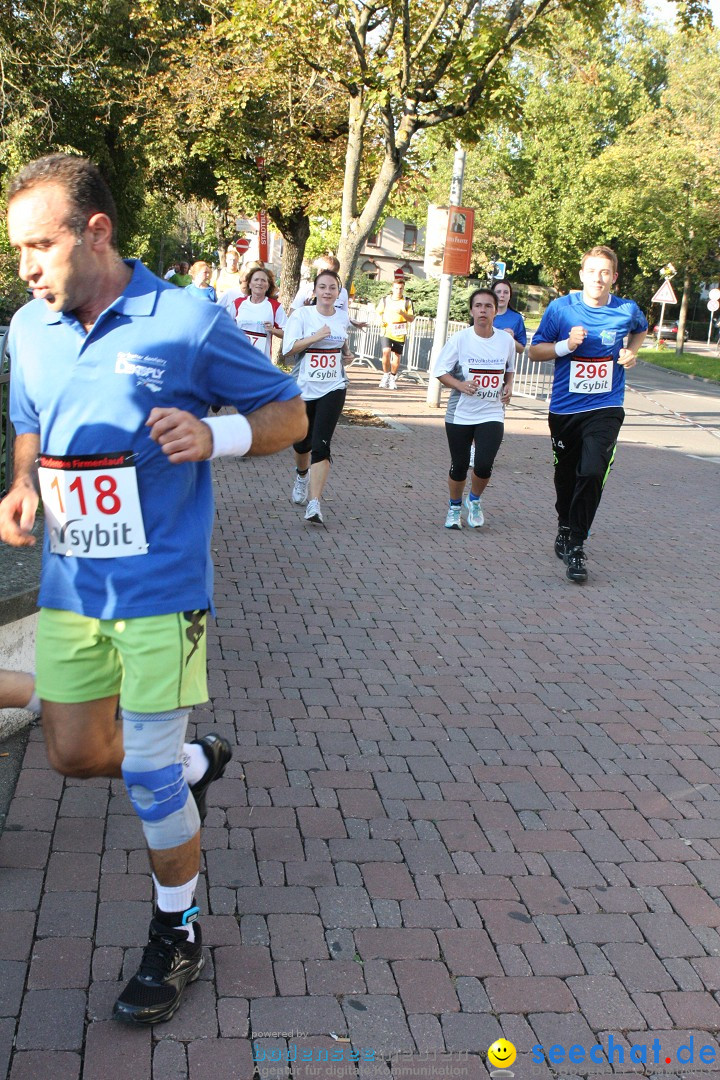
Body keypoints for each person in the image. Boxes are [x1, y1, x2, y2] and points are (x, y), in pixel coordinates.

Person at [1, 153, 307, 1025]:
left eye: (38, 245)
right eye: (17, 249)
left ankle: (179, 934)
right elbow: (30, 422)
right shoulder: (29, 327)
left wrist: (218, 434)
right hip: (71, 586)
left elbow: (289, 414)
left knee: (141, 772)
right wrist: (23, 485)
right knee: (68, 752)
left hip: (164, 587)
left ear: (96, 231)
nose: (25, 266)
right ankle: (194, 762)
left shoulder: (186, 320)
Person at [528, 245, 647, 583]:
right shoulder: (561, 309)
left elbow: (640, 329)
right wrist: (566, 346)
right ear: (581, 275)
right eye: (592, 271)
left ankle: (577, 544)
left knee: (593, 470)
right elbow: (535, 350)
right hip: (565, 409)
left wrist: (630, 354)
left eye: (605, 272)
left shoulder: (626, 309)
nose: (598, 278)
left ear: (614, 277)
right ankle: (565, 524)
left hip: (606, 406)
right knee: (566, 477)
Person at [430, 289, 515, 529]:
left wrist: (508, 387)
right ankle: (454, 507)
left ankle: (474, 500)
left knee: (484, 464)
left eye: (488, 306)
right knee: (459, 466)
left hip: (492, 411)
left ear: (495, 311)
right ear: (471, 310)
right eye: (478, 306)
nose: (483, 310)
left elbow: (509, 369)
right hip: (461, 413)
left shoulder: (505, 341)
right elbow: (440, 371)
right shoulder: (460, 339)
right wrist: (460, 384)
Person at [283, 269, 349, 525]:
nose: (327, 292)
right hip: (303, 387)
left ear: (338, 292)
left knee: (321, 444)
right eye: (323, 287)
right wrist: (315, 337)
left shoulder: (342, 317)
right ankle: (302, 476)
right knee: (302, 442)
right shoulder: (302, 315)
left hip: (333, 386)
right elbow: (288, 350)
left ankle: (314, 503)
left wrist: (347, 353)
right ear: (315, 291)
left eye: (332, 288)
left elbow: (341, 343)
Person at [230, 265, 286, 361]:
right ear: (249, 284)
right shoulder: (238, 303)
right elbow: (226, 327)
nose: (259, 283)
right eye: (256, 280)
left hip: (260, 360)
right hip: (238, 356)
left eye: (263, 280)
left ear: (268, 286)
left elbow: (287, 332)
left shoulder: (274, 306)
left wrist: (273, 330)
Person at [376, 277, 415, 389]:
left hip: (399, 332)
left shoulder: (407, 301)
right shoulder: (385, 300)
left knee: (396, 356)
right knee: (386, 352)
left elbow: (411, 318)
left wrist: (403, 313)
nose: (399, 291)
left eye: (401, 288)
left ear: (403, 289)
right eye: (397, 288)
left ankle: (392, 377)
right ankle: (385, 375)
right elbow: (378, 313)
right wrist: (380, 320)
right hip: (386, 331)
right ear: (392, 288)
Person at [492, 280, 527, 357]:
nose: (502, 295)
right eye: (498, 292)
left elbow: (521, 349)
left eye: (506, 292)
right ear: (492, 295)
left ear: (510, 295)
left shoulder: (517, 318)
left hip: (503, 366)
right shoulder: (482, 314)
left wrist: (511, 339)